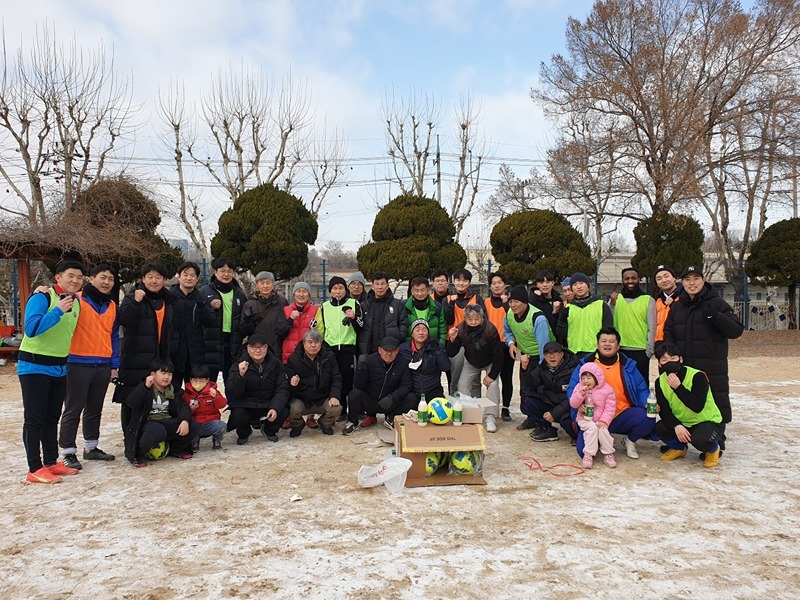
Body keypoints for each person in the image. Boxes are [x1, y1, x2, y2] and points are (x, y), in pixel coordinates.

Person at [663, 265, 743, 453]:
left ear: (703, 279)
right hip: (685, 366)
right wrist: (670, 354)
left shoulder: (716, 303)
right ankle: (681, 440)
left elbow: (736, 330)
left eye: (696, 278)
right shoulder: (677, 306)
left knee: (715, 398)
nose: (692, 283)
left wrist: (716, 316)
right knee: (684, 399)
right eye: (687, 279)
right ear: (682, 282)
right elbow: (668, 332)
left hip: (711, 364)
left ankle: (716, 439)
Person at [18, 260, 85, 484]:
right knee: (34, 419)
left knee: (51, 418)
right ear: (58, 277)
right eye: (71, 276)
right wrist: (57, 311)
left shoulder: (77, 303)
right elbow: (32, 328)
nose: (75, 280)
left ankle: (50, 462)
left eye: (79, 277)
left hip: (58, 367)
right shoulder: (42, 297)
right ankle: (34, 468)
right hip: (34, 366)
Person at [59, 264, 119, 470]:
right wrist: (39, 289)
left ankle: (91, 448)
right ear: (91, 279)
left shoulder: (112, 305)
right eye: (103, 277)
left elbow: (113, 335)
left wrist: (114, 363)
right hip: (77, 362)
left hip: (102, 363)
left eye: (110, 279)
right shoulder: (76, 299)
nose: (106, 282)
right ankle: (67, 451)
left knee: (95, 408)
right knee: (73, 409)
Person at [113, 263, 177, 444]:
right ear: (143, 279)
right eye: (150, 277)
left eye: (158, 277)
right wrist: (135, 302)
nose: (154, 281)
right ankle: (130, 437)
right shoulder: (132, 297)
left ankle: (149, 436)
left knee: (155, 398)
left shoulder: (169, 300)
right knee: (130, 398)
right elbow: (124, 320)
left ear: (165, 280)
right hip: (135, 358)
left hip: (160, 359)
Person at [567, 327, 654, 460]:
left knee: (648, 416)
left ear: (618, 345)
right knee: (583, 452)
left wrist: (646, 403)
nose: (607, 344)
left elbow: (641, 389)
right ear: (597, 344)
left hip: (621, 414)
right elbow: (572, 389)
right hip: (593, 417)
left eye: (611, 341)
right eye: (603, 341)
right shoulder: (586, 365)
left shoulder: (627, 365)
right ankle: (598, 439)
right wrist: (579, 405)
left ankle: (629, 441)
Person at [653, 342, 723, 468]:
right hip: (683, 423)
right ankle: (679, 448)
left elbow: (697, 406)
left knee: (700, 439)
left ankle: (713, 450)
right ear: (659, 363)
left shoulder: (697, 376)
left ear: (680, 359)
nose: (669, 362)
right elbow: (664, 410)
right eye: (664, 360)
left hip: (707, 422)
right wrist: (676, 425)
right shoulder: (660, 381)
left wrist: (678, 387)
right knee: (659, 428)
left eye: (673, 358)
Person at [123, 358, 198, 467]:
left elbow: (183, 407)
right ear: (153, 374)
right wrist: (145, 387)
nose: (166, 377)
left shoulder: (173, 390)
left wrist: (185, 420)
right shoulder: (145, 387)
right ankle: (138, 454)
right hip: (148, 424)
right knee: (157, 430)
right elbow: (131, 403)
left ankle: (175, 450)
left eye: (170, 374)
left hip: (167, 421)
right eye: (163, 373)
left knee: (193, 426)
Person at [446, 304, 505, 433]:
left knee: (493, 384)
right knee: (462, 384)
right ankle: (469, 414)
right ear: (465, 319)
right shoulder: (460, 329)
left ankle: (490, 417)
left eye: (476, 319)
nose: (473, 322)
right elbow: (452, 352)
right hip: (471, 361)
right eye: (470, 319)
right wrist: (452, 340)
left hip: (490, 362)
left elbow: (498, 355)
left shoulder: (490, 329)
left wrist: (492, 375)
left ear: (482, 318)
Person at [225, 333, 289, 444]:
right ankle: (244, 432)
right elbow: (234, 393)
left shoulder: (276, 364)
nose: (258, 350)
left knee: (283, 409)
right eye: (254, 347)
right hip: (247, 404)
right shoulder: (239, 364)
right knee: (237, 414)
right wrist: (240, 375)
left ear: (266, 348)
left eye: (261, 347)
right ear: (248, 348)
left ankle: (269, 430)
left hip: (268, 403)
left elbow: (282, 388)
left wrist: (275, 407)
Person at [344, 336, 416, 434]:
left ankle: (391, 417)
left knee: (411, 397)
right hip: (371, 401)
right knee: (354, 394)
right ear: (379, 350)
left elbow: (406, 385)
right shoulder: (369, 360)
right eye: (386, 350)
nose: (389, 353)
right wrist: (360, 371)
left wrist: (392, 397)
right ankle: (353, 422)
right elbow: (358, 385)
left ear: (397, 351)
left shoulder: (402, 363)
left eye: (392, 350)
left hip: (389, 402)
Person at [318, 275, 361, 422]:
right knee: (335, 380)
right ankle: (340, 411)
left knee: (350, 380)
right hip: (331, 350)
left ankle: (354, 411)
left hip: (348, 349)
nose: (338, 291)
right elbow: (321, 329)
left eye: (341, 288)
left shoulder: (354, 303)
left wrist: (354, 318)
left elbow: (362, 326)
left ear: (346, 289)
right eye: (334, 288)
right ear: (330, 291)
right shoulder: (324, 307)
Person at [519, 341, 580, 443]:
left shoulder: (573, 369)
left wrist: (554, 414)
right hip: (552, 402)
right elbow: (530, 385)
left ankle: (576, 436)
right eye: (548, 353)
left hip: (569, 406)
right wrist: (525, 369)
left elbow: (575, 397)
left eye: (555, 352)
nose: (552, 356)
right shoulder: (542, 368)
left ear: (562, 354)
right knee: (529, 401)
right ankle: (547, 429)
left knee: (568, 424)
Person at [285, 330, 343, 437]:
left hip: (322, 397)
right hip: (302, 399)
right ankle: (298, 425)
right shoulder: (294, 359)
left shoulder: (329, 357)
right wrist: (292, 383)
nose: (313, 345)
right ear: (304, 343)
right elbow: (286, 385)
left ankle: (325, 423)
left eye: (316, 342)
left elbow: (336, 378)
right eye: (310, 342)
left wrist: (334, 395)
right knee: (290, 408)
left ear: (321, 344)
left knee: (336, 408)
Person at [200, 258, 247, 388]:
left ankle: (232, 406)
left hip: (232, 341)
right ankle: (207, 406)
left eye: (229, 271)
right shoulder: (204, 292)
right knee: (209, 379)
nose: (226, 274)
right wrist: (209, 307)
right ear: (215, 272)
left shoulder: (240, 294)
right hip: (211, 341)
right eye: (222, 271)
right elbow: (198, 315)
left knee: (231, 379)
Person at [169, 261, 216, 386]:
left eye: (192, 275)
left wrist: (202, 305)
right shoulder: (169, 297)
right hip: (174, 353)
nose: (189, 278)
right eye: (185, 274)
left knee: (195, 391)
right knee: (172, 391)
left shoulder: (200, 297)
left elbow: (210, 322)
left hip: (195, 354)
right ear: (178, 276)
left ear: (197, 278)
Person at [609, 267, 656, 381]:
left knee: (640, 385)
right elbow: (609, 322)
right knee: (621, 384)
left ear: (639, 279)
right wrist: (612, 304)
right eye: (627, 278)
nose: (630, 281)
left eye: (633, 278)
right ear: (622, 281)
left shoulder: (648, 300)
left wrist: (649, 352)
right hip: (620, 350)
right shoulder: (615, 299)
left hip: (640, 351)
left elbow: (652, 327)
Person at [569, 362, 618, 469]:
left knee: (603, 430)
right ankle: (588, 454)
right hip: (584, 419)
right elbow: (573, 403)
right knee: (592, 429)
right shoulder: (579, 387)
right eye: (583, 378)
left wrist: (604, 421)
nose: (585, 381)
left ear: (596, 378)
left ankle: (608, 454)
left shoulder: (607, 389)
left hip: (600, 419)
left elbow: (610, 408)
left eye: (589, 378)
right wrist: (580, 394)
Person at [443, 268, 483, 393]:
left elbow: (482, 321)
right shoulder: (447, 299)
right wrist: (451, 304)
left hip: (473, 343)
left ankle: (475, 408)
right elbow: (448, 320)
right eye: (458, 280)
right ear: (453, 282)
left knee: (475, 379)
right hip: (456, 344)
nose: (461, 283)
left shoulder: (477, 299)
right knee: (455, 378)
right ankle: (455, 406)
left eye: (465, 280)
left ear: (469, 283)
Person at [556, 272, 612, 357]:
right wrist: (562, 321)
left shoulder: (601, 305)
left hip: (596, 353)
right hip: (574, 354)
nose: (578, 287)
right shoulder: (568, 308)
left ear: (588, 286)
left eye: (581, 283)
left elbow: (609, 330)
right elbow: (561, 335)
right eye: (575, 284)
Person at [483, 272, 514, 421]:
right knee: (491, 378)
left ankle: (506, 408)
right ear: (490, 286)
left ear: (505, 285)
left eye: (500, 282)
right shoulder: (486, 302)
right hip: (491, 346)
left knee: (506, 378)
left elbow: (514, 319)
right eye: (494, 283)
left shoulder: (511, 303)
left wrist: (507, 303)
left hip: (506, 345)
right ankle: (490, 408)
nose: (496, 285)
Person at [358, 272, 408, 360]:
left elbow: (403, 323)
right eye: (377, 284)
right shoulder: (364, 305)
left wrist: (398, 338)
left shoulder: (397, 304)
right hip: (369, 350)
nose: (380, 287)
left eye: (382, 284)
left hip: (390, 350)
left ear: (387, 286)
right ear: (372, 286)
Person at [240, 270, 289, 356]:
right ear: (257, 285)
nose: (265, 286)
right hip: (257, 349)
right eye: (262, 283)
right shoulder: (250, 304)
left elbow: (286, 326)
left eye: (268, 283)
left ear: (272, 284)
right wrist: (247, 321)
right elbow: (244, 331)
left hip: (277, 348)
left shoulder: (282, 302)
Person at [399, 319, 451, 400]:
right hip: (412, 391)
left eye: (424, 329)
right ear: (412, 334)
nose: (421, 332)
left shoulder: (437, 347)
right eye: (417, 329)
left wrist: (436, 350)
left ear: (428, 333)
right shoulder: (403, 349)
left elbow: (446, 367)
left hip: (433, 390)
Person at [183, 364, 227, 451]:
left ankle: (217, 440)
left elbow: (222, 404)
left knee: (221, 425)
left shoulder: (212, 392)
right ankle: (194, 441)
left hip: (209, 424)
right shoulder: (186, 394)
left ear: (207, 380)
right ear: (190, 380)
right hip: (195, 424)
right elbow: (182, 411)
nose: (198, 384)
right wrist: (191, 409)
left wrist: (215, 397)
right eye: (195, 381)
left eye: (201, 381)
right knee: (190, 425)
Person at [276, 281, 322, 364]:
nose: (301, 294)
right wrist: (290, 319)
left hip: (309, 357)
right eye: (298, 291)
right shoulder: (286, 310)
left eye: (304, 291)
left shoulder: (316, 310)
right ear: (294, 294)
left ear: (309, 295)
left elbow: (320, 332)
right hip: (289, 357)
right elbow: (280, 332)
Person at [404, 276, 446, 345]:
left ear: (428, 290)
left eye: (423, 290)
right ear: (412, 291)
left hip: (432, 348)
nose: (420, 294)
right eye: (416, 290)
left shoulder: (437, 307)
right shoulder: (404, 306)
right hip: (410, 349)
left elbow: (442, 331)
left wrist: (440, 348)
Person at [652, 264, 681, 343]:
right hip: (661, 345)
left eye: (666, 276)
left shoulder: (685, 297)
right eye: (659, 278)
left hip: (680, 344)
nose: (664, 280)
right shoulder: (656, 301)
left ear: (674, 278)